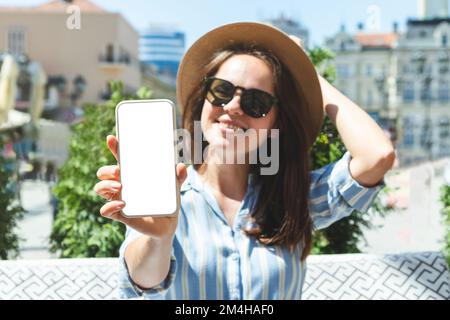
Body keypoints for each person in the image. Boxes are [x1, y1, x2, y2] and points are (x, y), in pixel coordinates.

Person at [94, 22, 395, 299]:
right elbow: (142, 281)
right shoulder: (169, 193)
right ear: (203, 101)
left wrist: (308, 77)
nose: (234, 106)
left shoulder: (294, 202)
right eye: (221, 91)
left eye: (257, 102)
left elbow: (377, 155)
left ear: (277, 124)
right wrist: (159, 239)